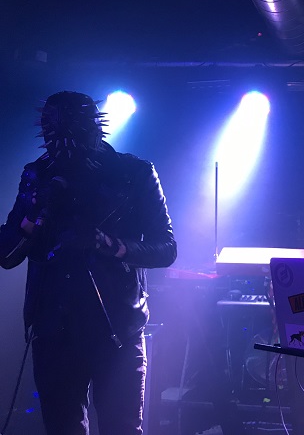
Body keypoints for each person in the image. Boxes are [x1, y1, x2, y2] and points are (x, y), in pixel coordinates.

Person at [0, 91, 177, 434]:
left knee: (121, 428)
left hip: (116, 330)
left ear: (92, 125)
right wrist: (31, 216)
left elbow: (166, 248)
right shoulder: (37, 175)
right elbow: (7, 254)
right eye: (51, 126)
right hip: (53, 330)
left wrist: (110, 244)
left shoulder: (133, 173)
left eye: (71, 124)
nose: (60, 135)